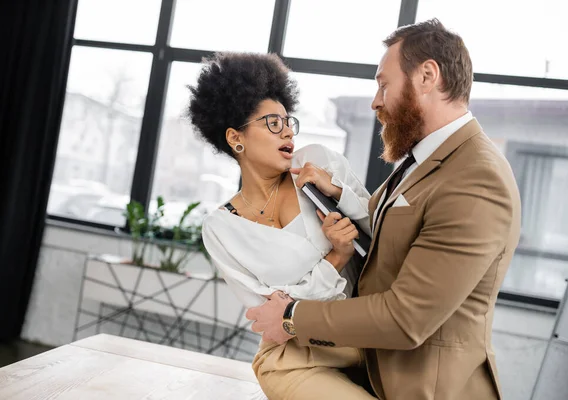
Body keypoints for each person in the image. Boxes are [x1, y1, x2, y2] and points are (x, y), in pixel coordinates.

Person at [246, 18, 521, 400]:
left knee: (281, 349)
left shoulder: (477, 179)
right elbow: (391, 227)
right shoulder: (426, 158)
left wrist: (293, 316)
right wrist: (336, 192)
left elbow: (407, 317)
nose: (376, 100)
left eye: (383, 83)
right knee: (276, 355)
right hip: (382, 357)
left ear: (427, 76)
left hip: (422, 383)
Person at [189, 52, 375, 399]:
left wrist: (337, 191)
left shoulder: (318, 163)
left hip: (370, 342)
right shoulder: (221, 228)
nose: (287, 130)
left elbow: (383, 230)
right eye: (273, 122)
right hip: (293, 358)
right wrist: (336, 257)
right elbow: (272, 317)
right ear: (235, 137)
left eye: (289, 121)